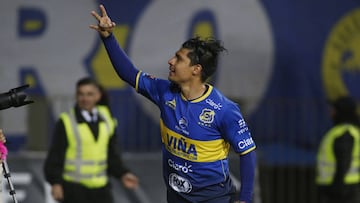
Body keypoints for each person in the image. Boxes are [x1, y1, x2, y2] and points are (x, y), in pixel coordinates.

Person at [90, 5, 257, 203]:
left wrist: (245, 199)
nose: (170, 61)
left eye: (178, 58)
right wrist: (108, 38)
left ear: (196, 69)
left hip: (214, 199)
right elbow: (129, 74)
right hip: (176, 196)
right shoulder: (164, 91)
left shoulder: (224, 110)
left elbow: (247, 152)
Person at [43, 77, 139, 203]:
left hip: (101, 189)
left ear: (98, 96)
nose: (85, 98)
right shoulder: (66, 122)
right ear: (76, 96)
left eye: (89, 94)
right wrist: (56, 182)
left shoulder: (107, 119)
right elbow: (55, 155)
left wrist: (123, 173)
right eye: (81, 94)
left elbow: (111, 154)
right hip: (74, 189)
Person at [316, 96, 360, 203]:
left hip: (342, 190)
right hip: (345, 187)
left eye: (333, 109)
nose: (331, 112)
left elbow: (344, 161)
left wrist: (337, 187)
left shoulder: (344, 133)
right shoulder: (348, 131)